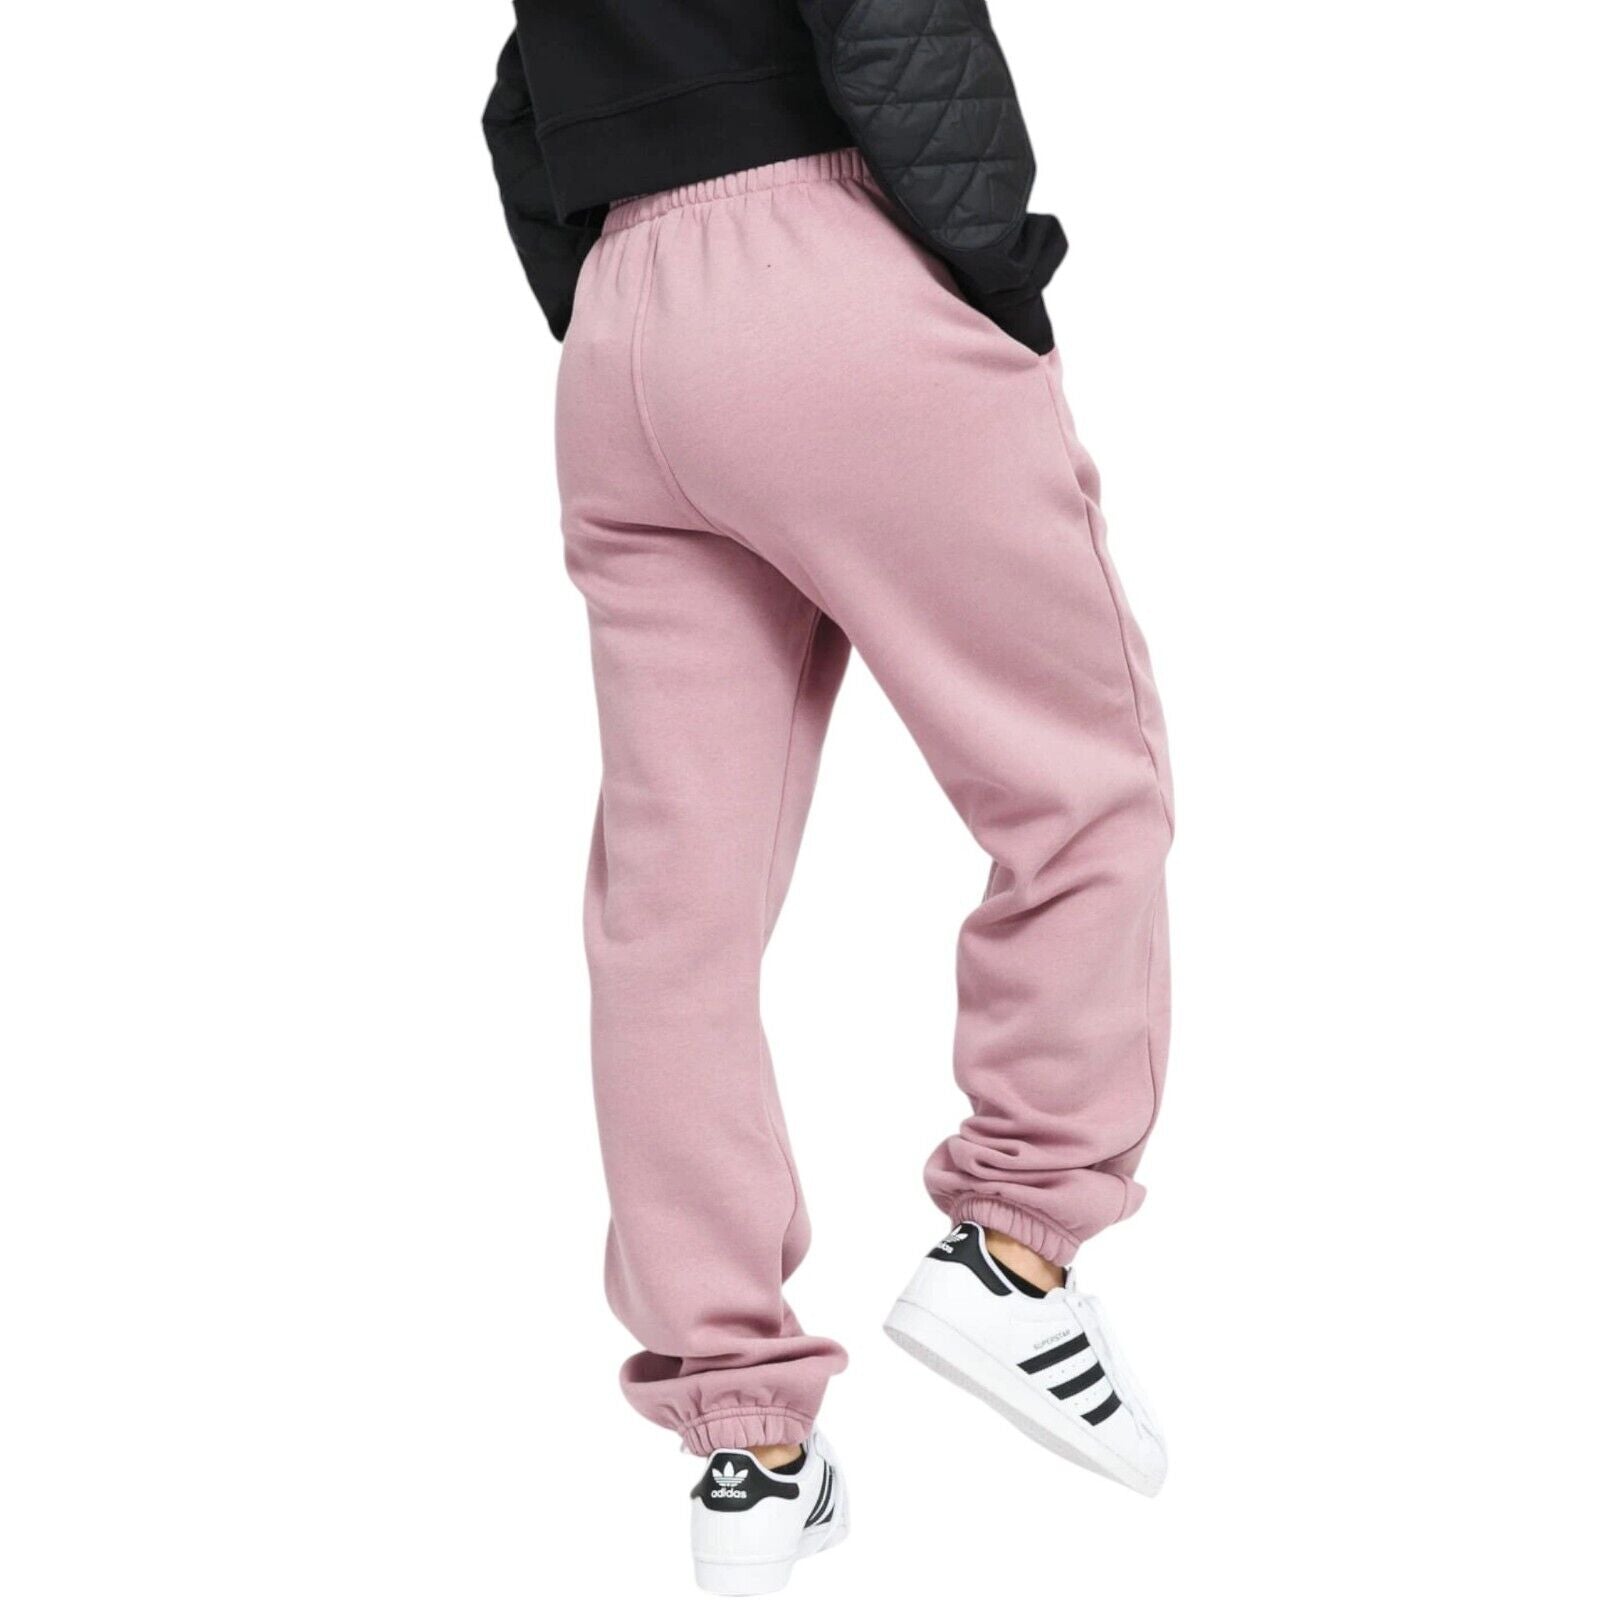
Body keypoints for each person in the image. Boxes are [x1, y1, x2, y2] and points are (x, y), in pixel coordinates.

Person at [484, 3, 1174, 1590]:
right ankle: (1016, 1246)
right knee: (1081, 788)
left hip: (623, 342)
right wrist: (996, 278)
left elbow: (519, 99)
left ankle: (744, 1435)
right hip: (832, 265)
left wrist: (615, 300)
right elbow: (891, 15)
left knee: (673, 917)